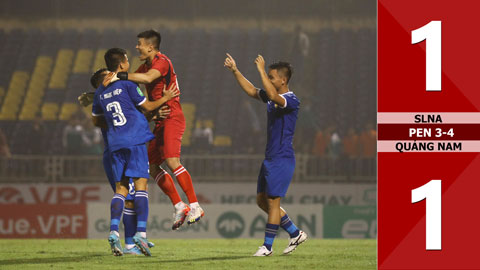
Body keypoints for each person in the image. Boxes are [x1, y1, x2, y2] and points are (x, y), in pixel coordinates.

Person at [107, 29, 204, 229]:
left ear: (150, 46)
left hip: (173, 116)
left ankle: (195, 205)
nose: (137, 47)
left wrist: (119, 75)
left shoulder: (162, 61)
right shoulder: (142, 68)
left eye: (140, 43)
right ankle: (179, 205)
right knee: (151, 166)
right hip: (160, 120)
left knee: (172, 160)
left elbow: (148, 79)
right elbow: (143, 95)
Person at [92, 48, 179, 256]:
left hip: (114, 145)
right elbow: (147, 106)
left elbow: (96, 120)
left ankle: (114, 231)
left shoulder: (99, 92)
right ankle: (141, 234)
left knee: (121, 190)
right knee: (141, 186)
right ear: (122, 64)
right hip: (135, 141)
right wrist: (165, 97)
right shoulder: (128, 84)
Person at [224, 53, 307, 256]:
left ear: (283, 80)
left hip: (282, 158)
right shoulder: (272, 98)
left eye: (271, 77)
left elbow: (271, 95)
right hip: (270, 157)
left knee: (273, 202)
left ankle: (267, 247)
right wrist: (235, 71)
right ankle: (295, 233)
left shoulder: (291, 100)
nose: (269, 79)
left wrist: (261, 70)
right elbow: (253, 91)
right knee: (262, 200)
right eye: (268, 76)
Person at [79, 68, 164, 255]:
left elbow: (100, 119)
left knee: (124, 194)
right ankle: (137, 238)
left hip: (113, 150)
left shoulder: (101, 97)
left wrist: (94, 97)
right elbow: (137, 113)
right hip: (128, 145)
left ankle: (121, 239)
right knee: (135, 192)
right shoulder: (124, 88)